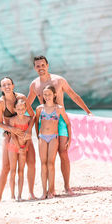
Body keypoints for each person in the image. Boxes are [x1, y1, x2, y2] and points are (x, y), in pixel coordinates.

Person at [27, 55, 92, 195]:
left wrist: (88, 111)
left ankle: (67, 186)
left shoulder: (59, 80)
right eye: (38, 66)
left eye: (43, 65)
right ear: (34, 68)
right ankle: (50, 189)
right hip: (45, 122)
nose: (41, 68)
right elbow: (27, 104)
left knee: (63, 153)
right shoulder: (34, 85)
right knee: (47, 159)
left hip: (61, 121)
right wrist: (22, 120)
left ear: (47, 65)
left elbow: (74, 95)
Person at [0, 77, 36, 201]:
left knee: (32, 163)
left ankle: (31, 193)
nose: (7, 86)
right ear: (1, 88)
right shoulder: (0, 103)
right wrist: (12, 129)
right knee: (6, 167)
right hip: (9, 137)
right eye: (4, 85)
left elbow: (32, 115)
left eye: (9, 84)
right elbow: (0, 123)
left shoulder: (21, 98)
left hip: (25, 136)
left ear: (13, 85)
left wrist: (29, 131)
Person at [35, 85, 69, 199]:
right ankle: (44, 191)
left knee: (51, 163)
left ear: (54, 95)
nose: (47, 96)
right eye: (45, 95)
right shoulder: (40, 108)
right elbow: (36, 122)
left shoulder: (59, 108)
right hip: (42, 137)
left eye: (49, 94)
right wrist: (37, 135)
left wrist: (70, 138)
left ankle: (51, 191)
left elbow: (68, 123)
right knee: (43, 164)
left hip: (54, 137)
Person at [7, 99, 32, 201]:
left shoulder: (28, 119)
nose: (21, 110)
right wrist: (18, 147)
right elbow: (12, 135)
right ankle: (12, 195)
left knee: (21, 171)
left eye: (22, 108)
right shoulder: (12, 120)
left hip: (23, 148)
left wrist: (25, 147)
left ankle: (19, 195)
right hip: (13, 147)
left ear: (25, 108)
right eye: (18, 109)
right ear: (15, 109)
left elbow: (29, 135)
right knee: (13, 171)